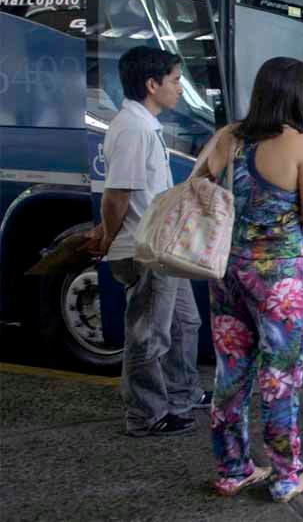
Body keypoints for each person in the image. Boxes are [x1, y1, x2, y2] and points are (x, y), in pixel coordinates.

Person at [204, 57, 303, 501]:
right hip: (280, 278)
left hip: (226, 270)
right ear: (297, 95)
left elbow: (204, 188)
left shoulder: (227, 137)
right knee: (280, 376)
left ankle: (232, 468)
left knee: (230, 370)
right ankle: (284, 475)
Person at [86, 46, 206, 437]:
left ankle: (181, 393)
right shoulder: (134, 129)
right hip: (146, 248)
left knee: (186, 322)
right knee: (149, 334)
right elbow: (116, 194)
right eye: (174, 80)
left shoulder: (143, 125)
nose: (180, 89)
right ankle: (146, 415)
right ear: (152, 85)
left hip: (163, 245)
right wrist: (106, 236)